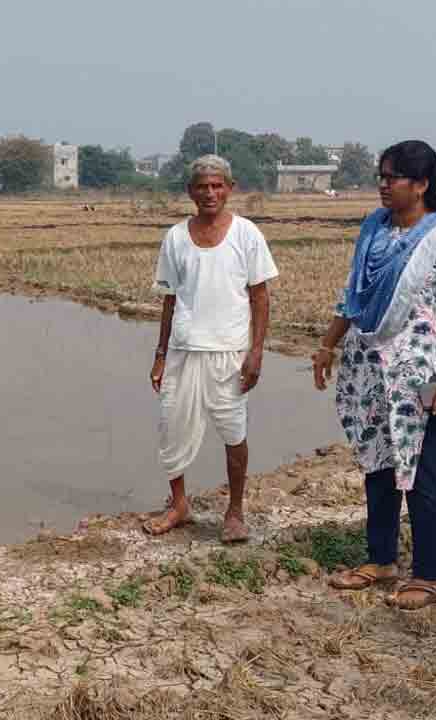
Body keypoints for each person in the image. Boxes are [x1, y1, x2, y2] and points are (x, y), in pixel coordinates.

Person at [314, 140, 436, 610]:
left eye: (393, 177)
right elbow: (351, 293)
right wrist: (327, 344)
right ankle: (382, 559)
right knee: (378, 464)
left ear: (422, 184)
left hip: (419, 377)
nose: (383, 184)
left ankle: (430, 575)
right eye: (382, 175)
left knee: (421, 470)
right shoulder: (375, 228)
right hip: (369, 369)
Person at [144, 155, 278, 543]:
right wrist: (159, 355)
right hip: (184, 350)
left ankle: (235, 512)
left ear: (229, 189)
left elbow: (260, 296)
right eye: (202, 186)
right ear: (190, 192)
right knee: (172, 428)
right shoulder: (175, 237)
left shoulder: (247, 234)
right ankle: (179, 504)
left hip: (229, 353)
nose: (210, 193)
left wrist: (256, 352)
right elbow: (170, 300)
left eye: (217, 185)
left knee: (234, 432)